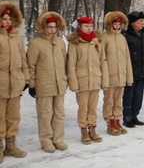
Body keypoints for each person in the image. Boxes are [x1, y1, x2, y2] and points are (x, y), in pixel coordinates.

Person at [27, 11, 68, 153]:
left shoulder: (61, 43)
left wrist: (65, 79)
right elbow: (31, 66)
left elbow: (64, 62)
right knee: (45, 114)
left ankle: (58, 139)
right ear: (44, 27)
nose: (52, 30)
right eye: (49, 27)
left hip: (59, 84)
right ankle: (46, 140)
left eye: (54, 27)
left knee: (59, 113)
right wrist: (32, 84)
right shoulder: (35, 44)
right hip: (43, 84)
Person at [67, 16, 109, 144]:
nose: (89, 28)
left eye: (91, 26)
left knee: (92, 107)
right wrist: (74, 83)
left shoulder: (97, 42)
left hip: (95, 80)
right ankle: (84, 130)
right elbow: (71, 65)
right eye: (86, 26)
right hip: (82, 81)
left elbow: (103, 62)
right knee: (83, 108)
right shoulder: (75, 43)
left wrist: (104, 81)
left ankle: (92, 129)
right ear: (79, 27)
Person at [0, 2, 29, 162]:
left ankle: (10, 146)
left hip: (15, 83)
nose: (7, 22)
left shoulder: (17, 37)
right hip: (1, 82)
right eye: (4, 18)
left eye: (9, 19)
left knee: (13, 116)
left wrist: (26, 78)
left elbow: (23, 59)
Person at [102, 11, 133, 135]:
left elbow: (127, 58)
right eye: (115, 23)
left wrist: (128, 76)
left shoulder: (122, 38)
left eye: (119, 24)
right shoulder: (104, 38)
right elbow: (102, 58)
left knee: (118, 101)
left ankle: (117, 120)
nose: (117, 26)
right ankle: (110, 122)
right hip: (109, 75)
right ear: (109, 24)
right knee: (109, 101)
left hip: (121, 75)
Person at [122, 11, 144, 127]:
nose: (142, 23)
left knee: (138, 96)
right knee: (129, 95)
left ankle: (134, 115)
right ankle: (127, 117)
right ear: (132, 23)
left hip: (141, 70)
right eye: (140, 21)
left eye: (143, 21)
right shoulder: (126, 36)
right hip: (130, 71)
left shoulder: (143, 34)